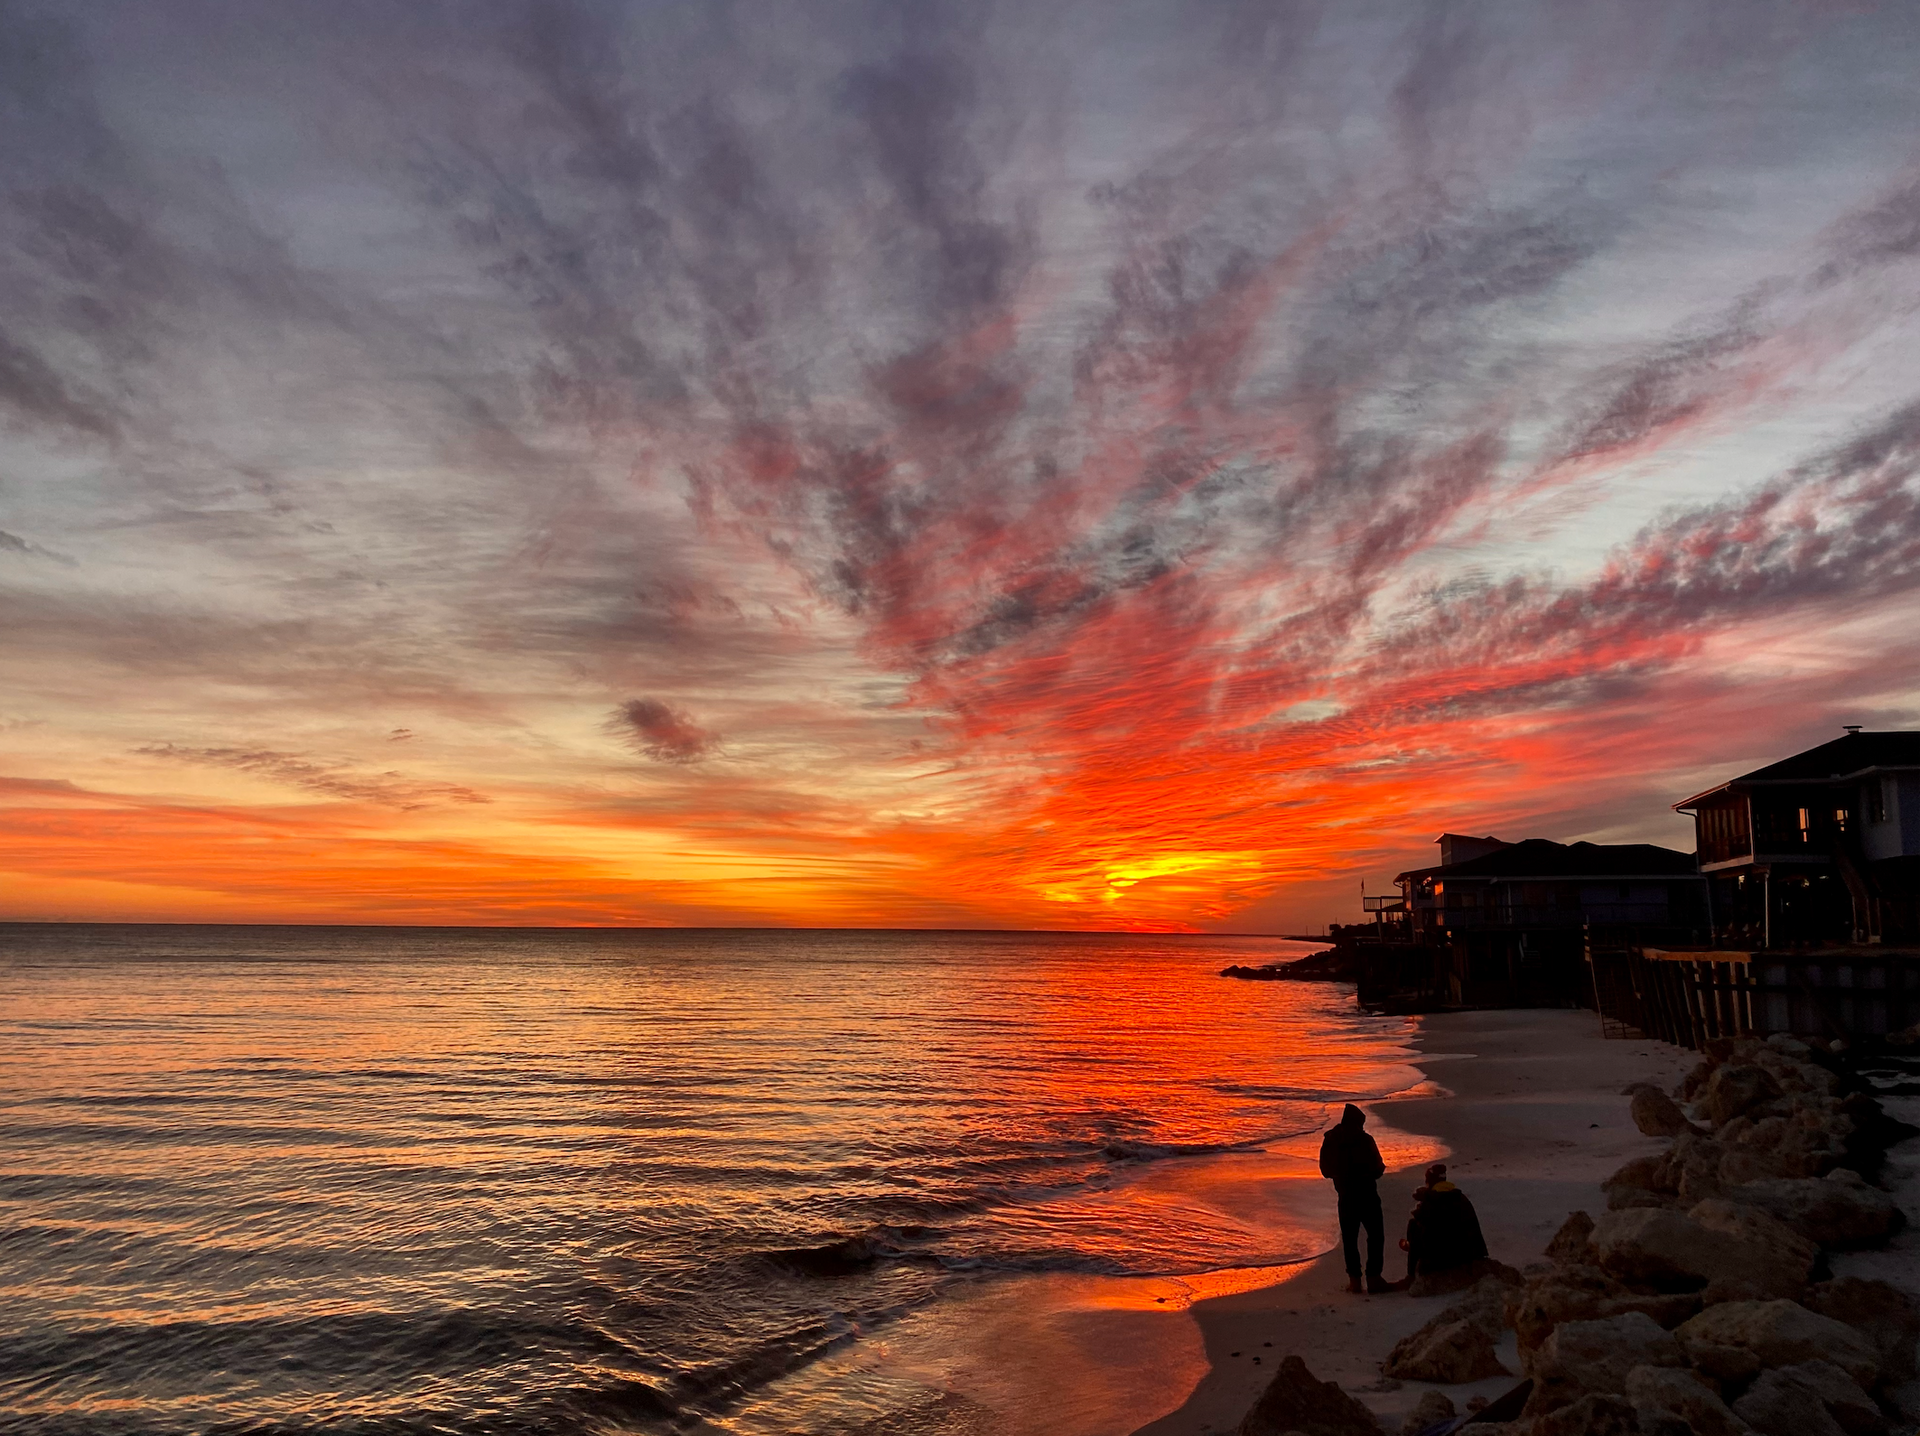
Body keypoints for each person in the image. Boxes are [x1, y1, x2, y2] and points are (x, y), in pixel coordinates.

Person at [1318, 1102, 1388, 1294]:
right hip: (1367, 1194)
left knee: (1350, 1240)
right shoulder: (1365, 1140)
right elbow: (1378, 1168)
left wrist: (1341, 1176)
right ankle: (1374, 1278)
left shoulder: (1331, 1139)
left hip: (1345, 1196)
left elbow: (1325, 1170)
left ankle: (1355, 1281)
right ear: (1358, 1122)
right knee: (1375, 1236)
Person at [1399, 1162, 1488, 1285]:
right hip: (1469, 1255)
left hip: (1444, 1259)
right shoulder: (1460, 1197)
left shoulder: (1431, 1201)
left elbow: (1426, 1227)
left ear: (1429, 1182)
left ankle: (1411, 1275)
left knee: (1413, 1225)